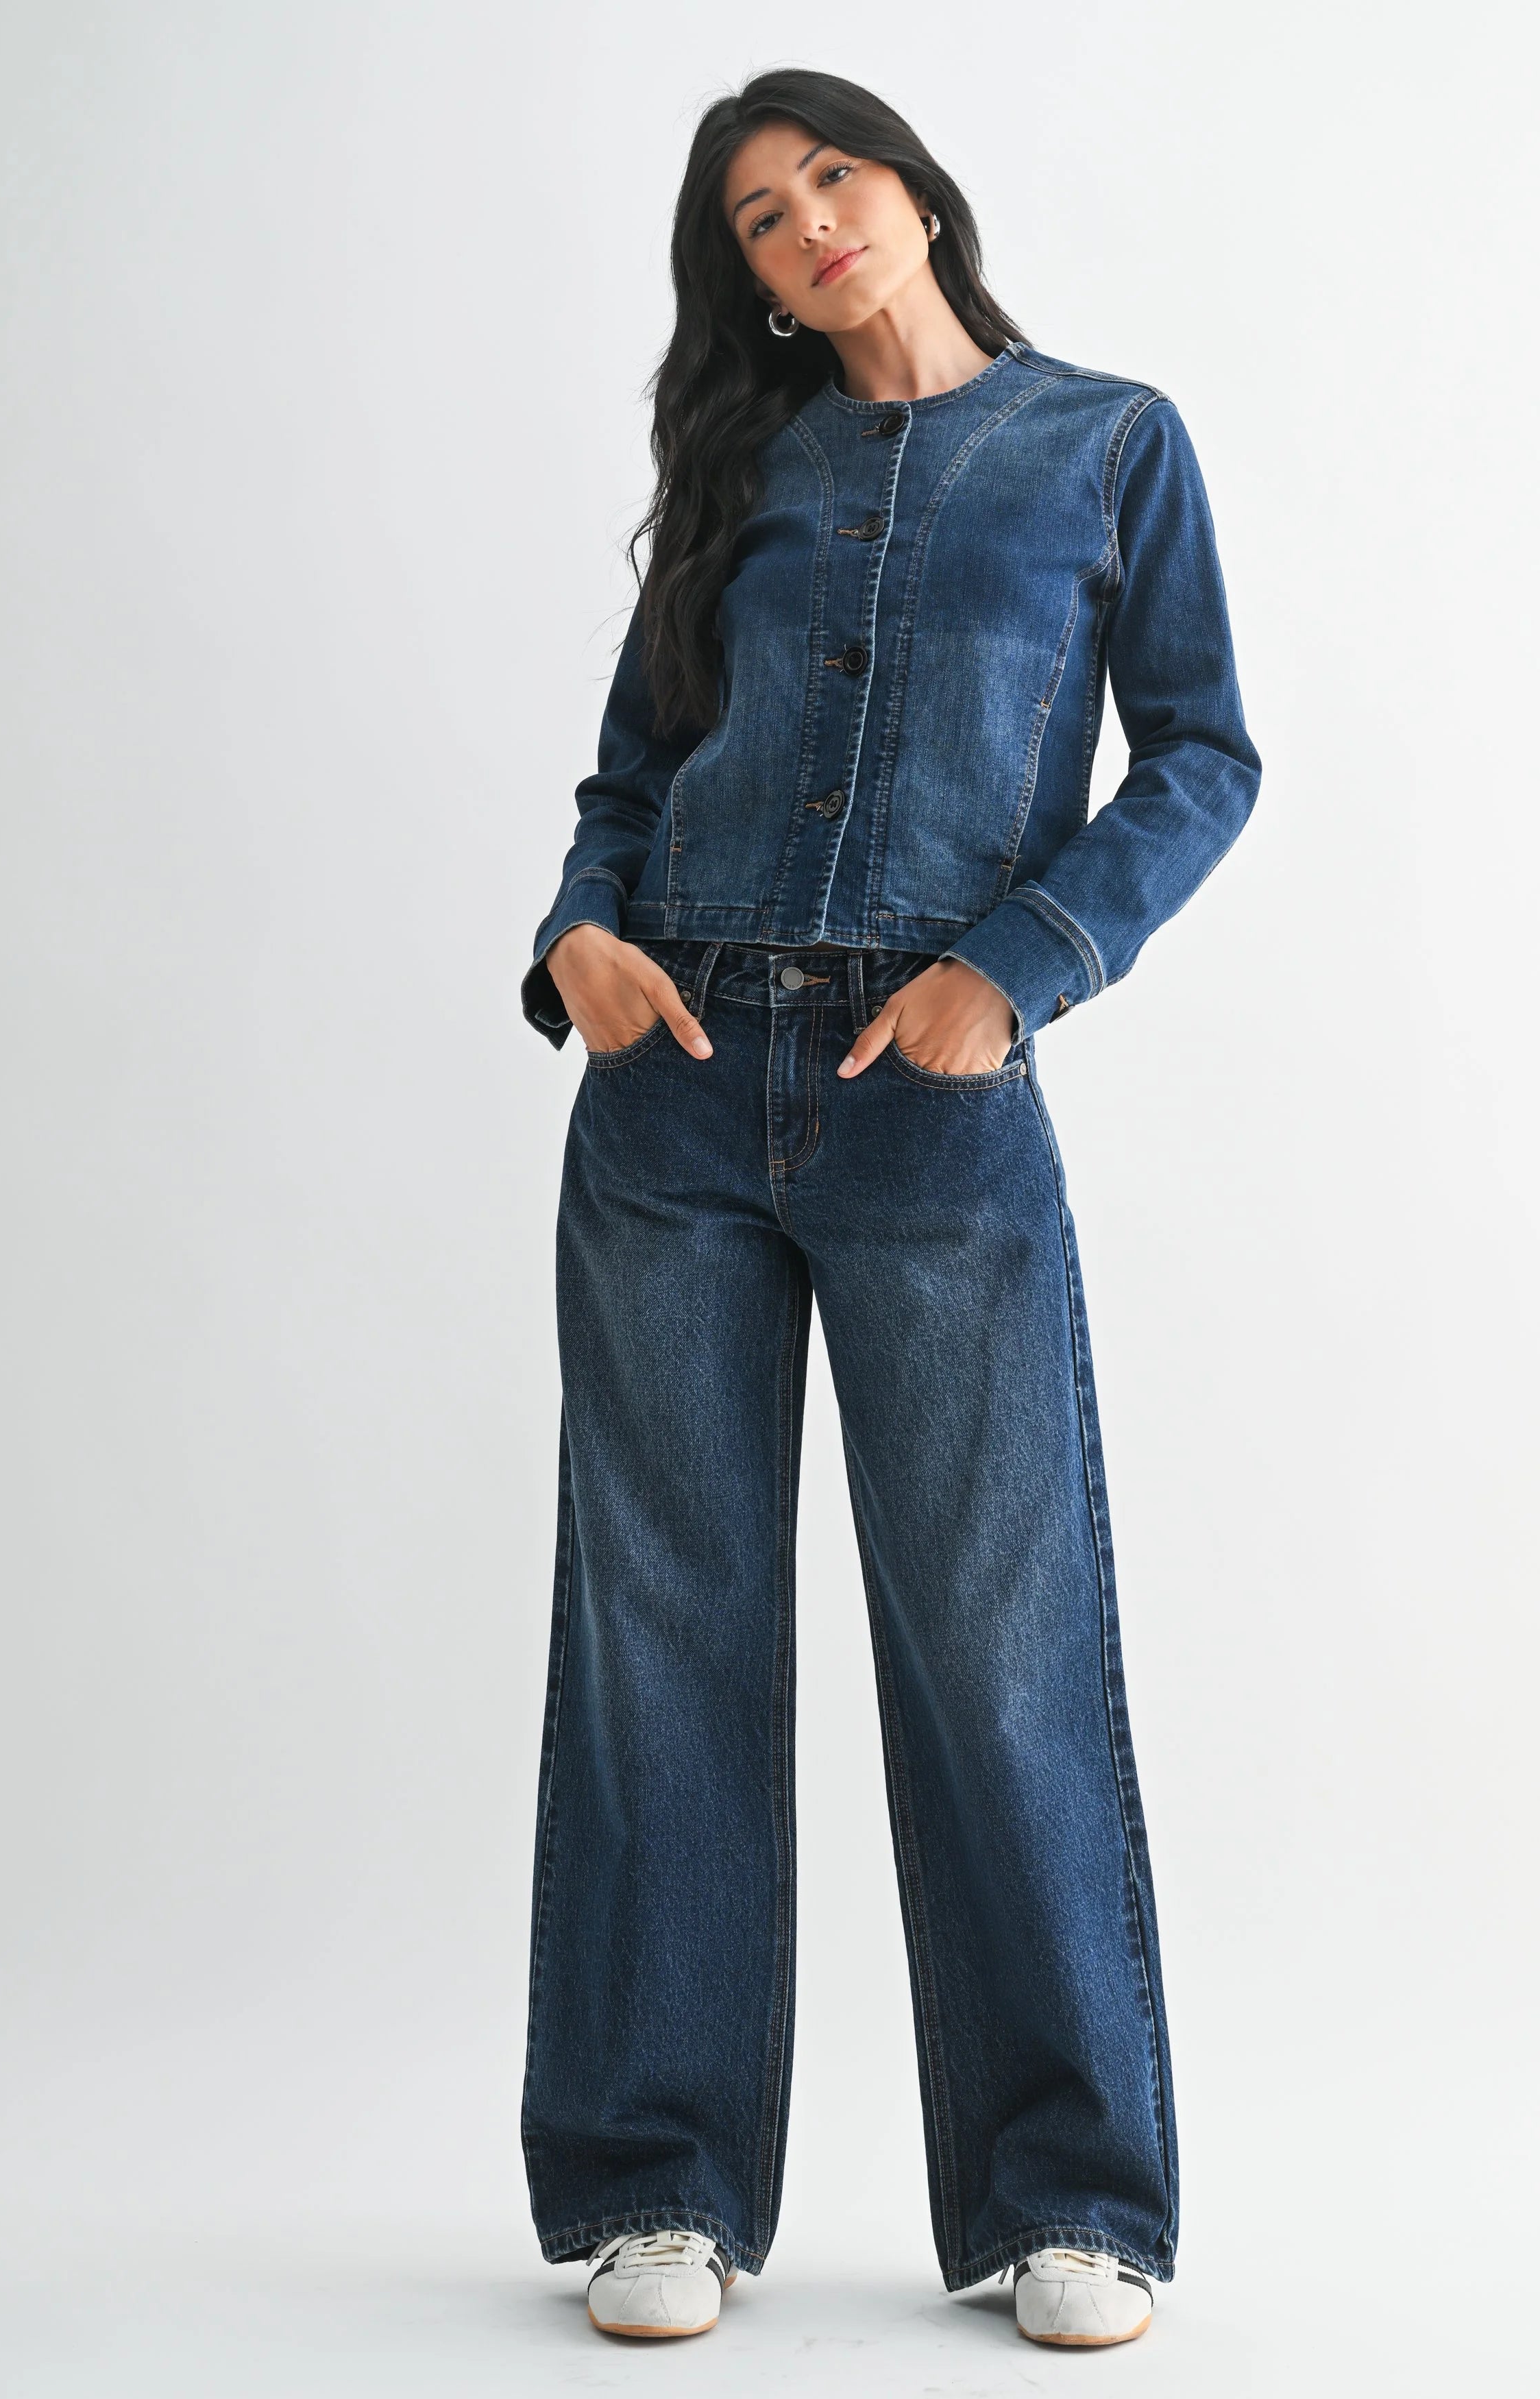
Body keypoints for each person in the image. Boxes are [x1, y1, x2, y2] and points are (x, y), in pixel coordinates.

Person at [516, 69, 1259, 2350]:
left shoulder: (1106, 444)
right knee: (667, 1642)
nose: (806, 227)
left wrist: (1009, 973)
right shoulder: (740, 469)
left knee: (998, 1638)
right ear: (740, 271)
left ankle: (1076, 2194)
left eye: (829, 177)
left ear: (914, 190)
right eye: (756, 216)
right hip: (666, 1098)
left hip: (933, 1104)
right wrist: (576, 935)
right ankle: (660, 2181)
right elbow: (633, 771)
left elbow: (1207, 753)